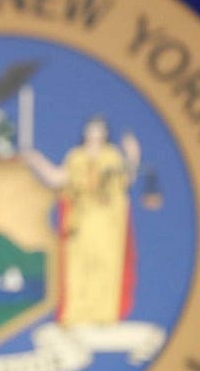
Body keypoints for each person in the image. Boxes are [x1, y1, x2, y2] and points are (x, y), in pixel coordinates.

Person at [22, 115, 140, 325]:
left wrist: (133, 156)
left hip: (106, 222)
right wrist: (36, 161)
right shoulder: (75, 157)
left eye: (99, 130)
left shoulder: (112, 156)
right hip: (81, 221)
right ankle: (77, 313)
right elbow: (58, 179)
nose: (95, 134)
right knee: (79, 265)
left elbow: (126, 179)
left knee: (105, 264)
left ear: (105, 134)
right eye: (91, 130)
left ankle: (103, 314)